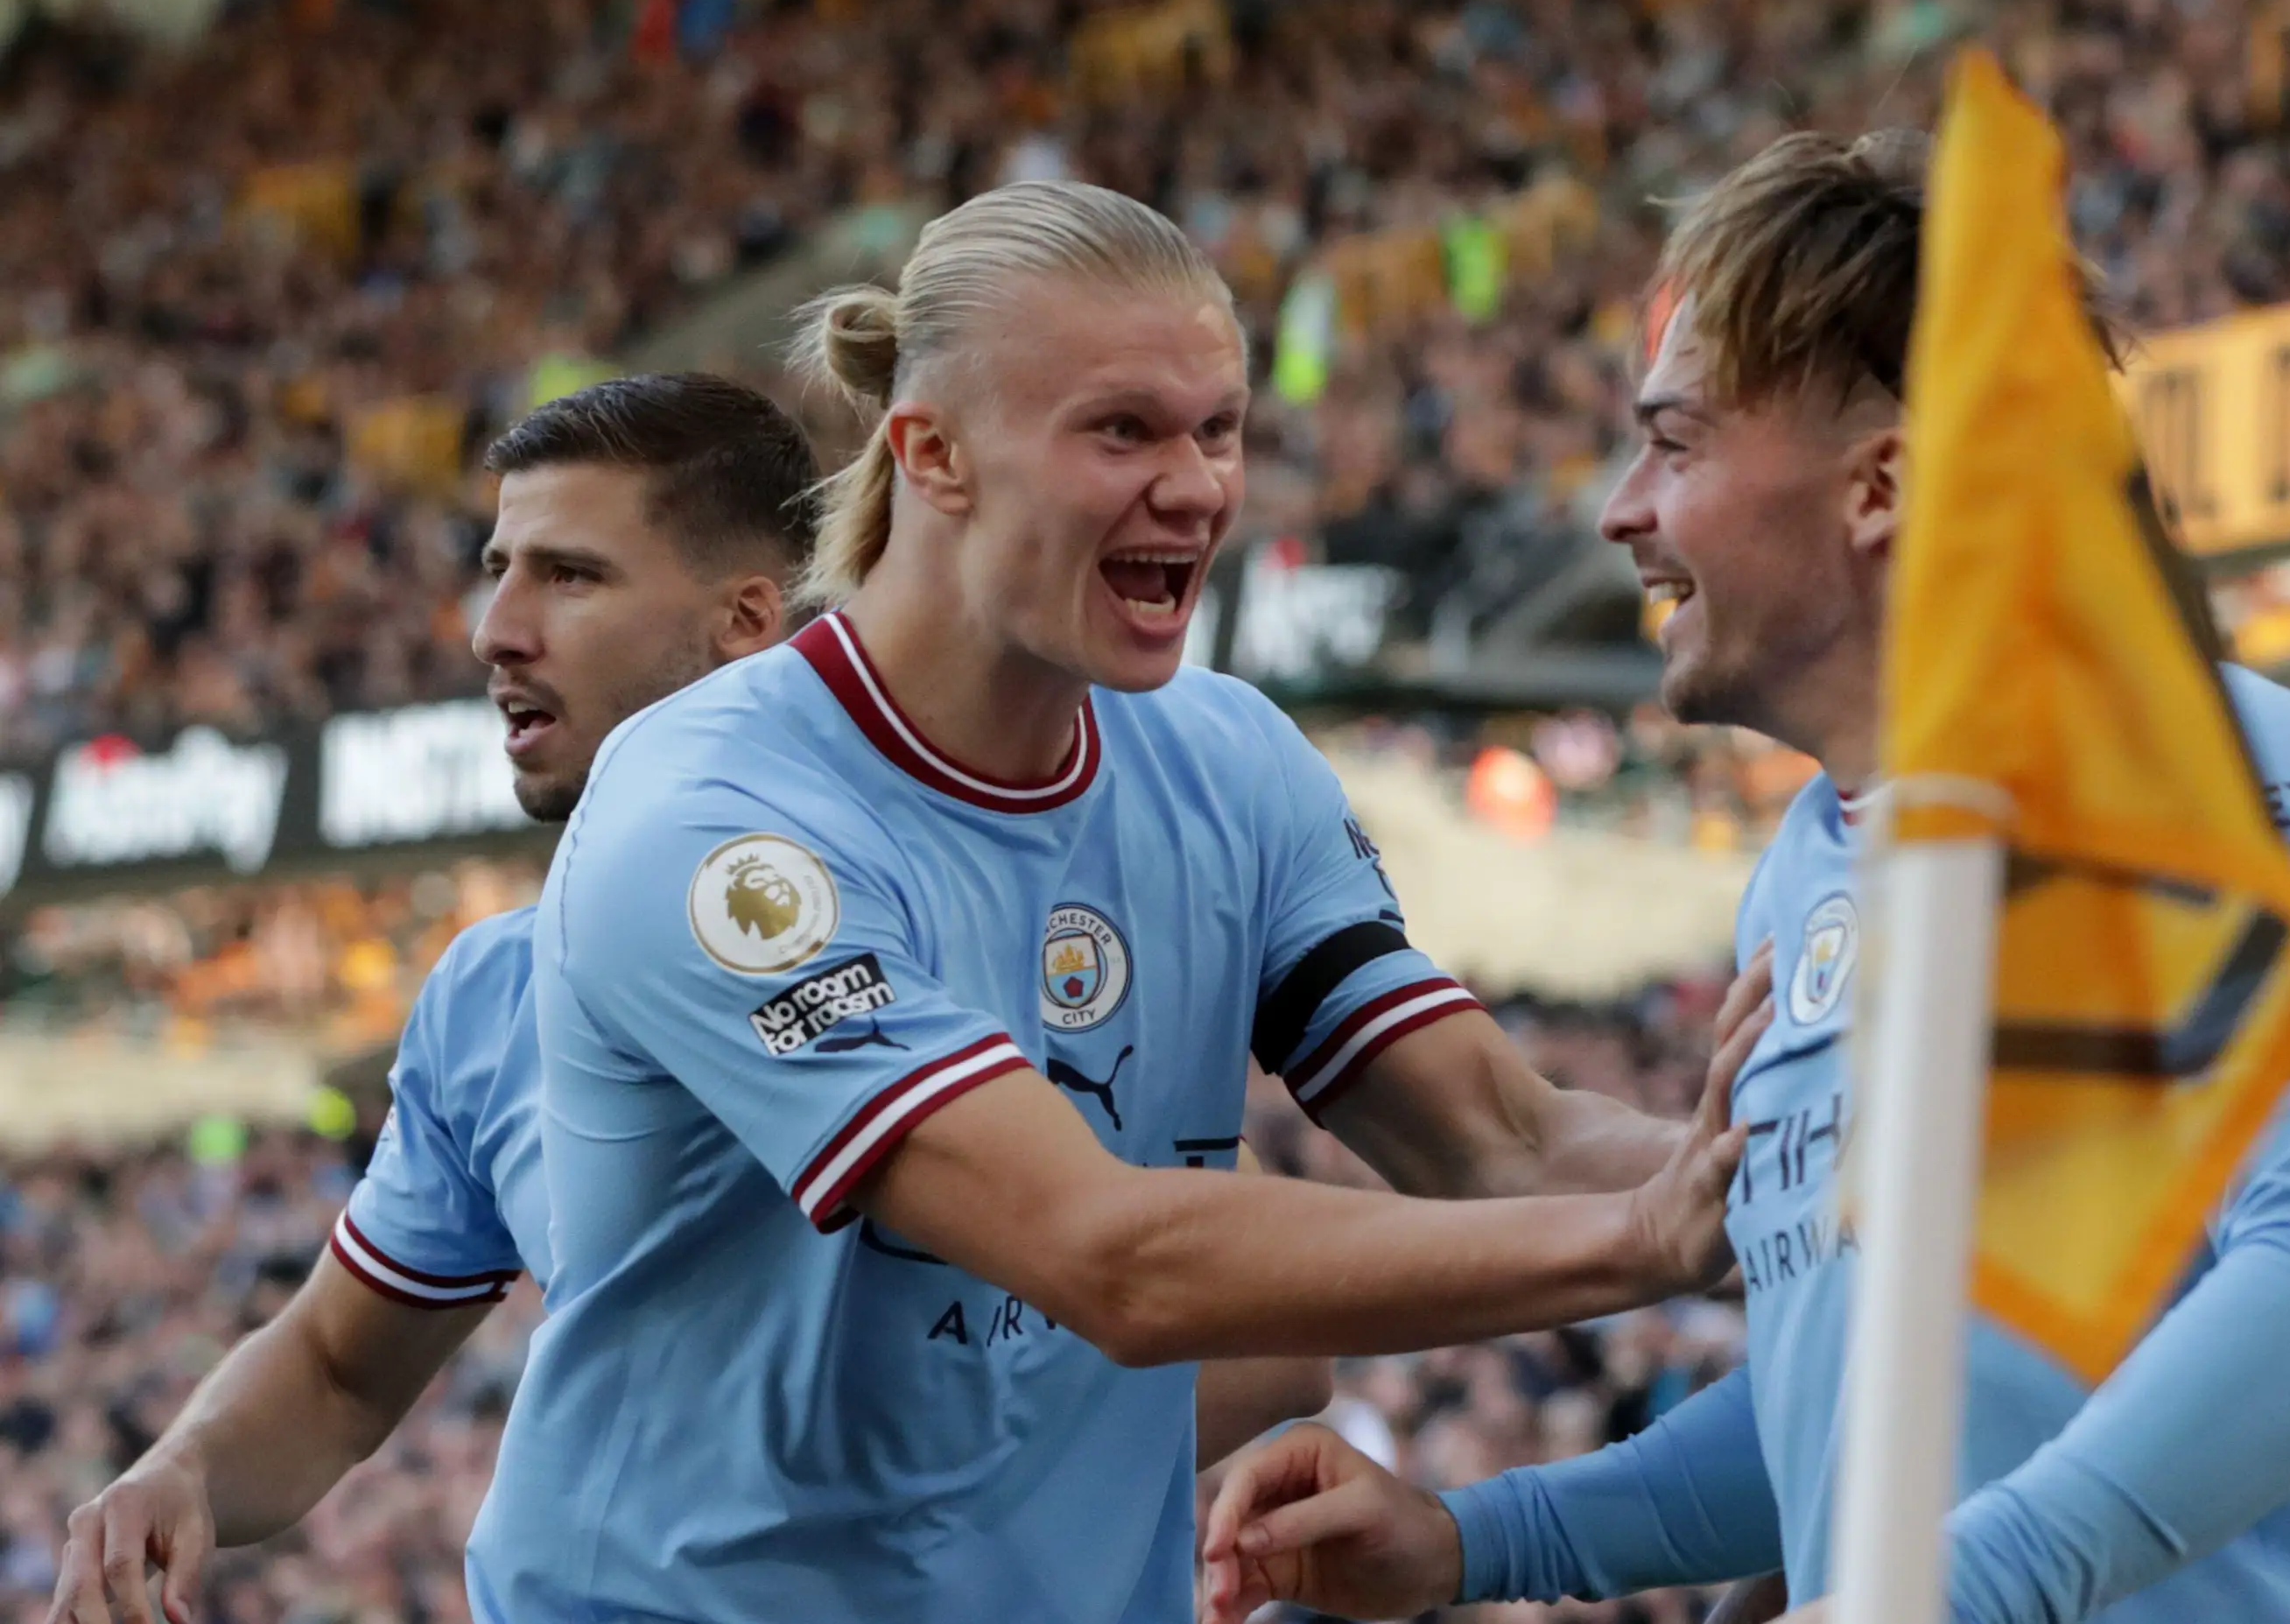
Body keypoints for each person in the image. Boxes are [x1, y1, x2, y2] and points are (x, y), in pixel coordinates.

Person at [1198, 126, 2290, 1624]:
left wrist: (1952, 1590)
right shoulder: (1806, 868)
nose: (1619, 510)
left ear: (1880, 486)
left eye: (1674, 446)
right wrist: (1476, 1536)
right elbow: (1858, 1407)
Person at [461, 181, 1757, 1624]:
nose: (1196, 485)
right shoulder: (714, 818)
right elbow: (1106, 1255)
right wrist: (1654, 1233)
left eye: (1218, 429)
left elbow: (1500, 1137)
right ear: (933, 455)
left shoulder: (1227, 758)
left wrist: (1810, 1173)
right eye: (1123, 431)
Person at [40, 373, 1330, 1624]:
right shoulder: (492, 992)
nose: (497, 629)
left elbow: (1269, 1344)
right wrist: (183, 1469)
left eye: (570, 575)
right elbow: (334, 1370)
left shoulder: (971, 913)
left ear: (748, 620)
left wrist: (948, 1498)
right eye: (498, 568)